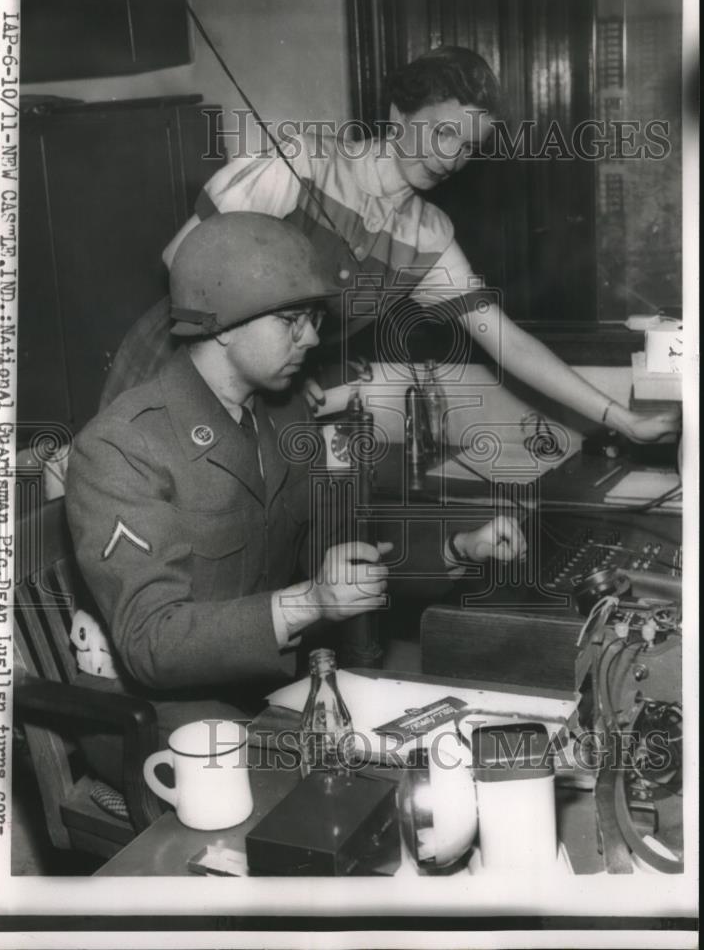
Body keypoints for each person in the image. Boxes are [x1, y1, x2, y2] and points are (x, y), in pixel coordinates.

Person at [67, 213, 526, 786]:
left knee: (434, 748)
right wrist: (310, 602)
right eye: (291, 321)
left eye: (311, 319)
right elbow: (151, 643)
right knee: (343, 788)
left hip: (264, 688)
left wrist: (459, 545)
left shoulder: (281, 414)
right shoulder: (122, 446)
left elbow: (341, 546)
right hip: (160, 717)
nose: (310, 338)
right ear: (223, 327)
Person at [100, 47, 678, 445]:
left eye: (469, 147)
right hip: (172, 369)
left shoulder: (427, 236)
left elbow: (506, 342)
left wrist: (620, 418)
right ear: (399, 114)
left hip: (262, 398)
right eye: (444, 132)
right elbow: (180, 260)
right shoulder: (301, 161)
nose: (453, 158)